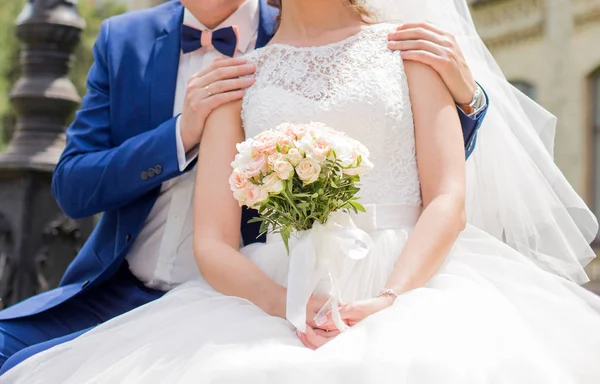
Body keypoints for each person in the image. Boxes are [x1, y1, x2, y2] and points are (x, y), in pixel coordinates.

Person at [3, 0, 600, 382]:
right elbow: (94, 191)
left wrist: (392, 296)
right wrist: (282, 302)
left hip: (410, 274)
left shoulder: (408, 46)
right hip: (206, 286)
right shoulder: (236, 74)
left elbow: (445, 190)